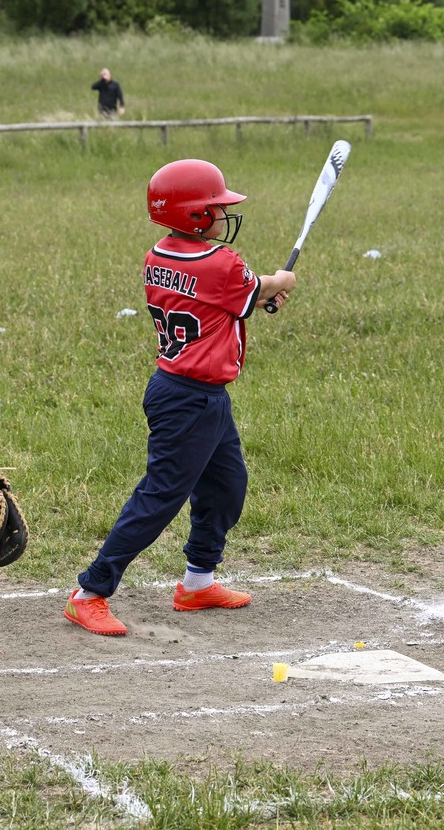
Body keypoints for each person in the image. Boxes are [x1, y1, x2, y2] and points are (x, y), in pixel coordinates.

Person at [63, 158, 296, 636]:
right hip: (187, 398)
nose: (222, 214)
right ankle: (90, 592)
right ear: (192, 215)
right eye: (214, 207)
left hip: (197, 395)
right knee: (160, 498)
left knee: (226, 487)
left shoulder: (158, 254)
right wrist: (279, 282)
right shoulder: (222, 263)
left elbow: (227, 304)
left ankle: (197, 582)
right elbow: (254, 291)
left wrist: (255, 297)